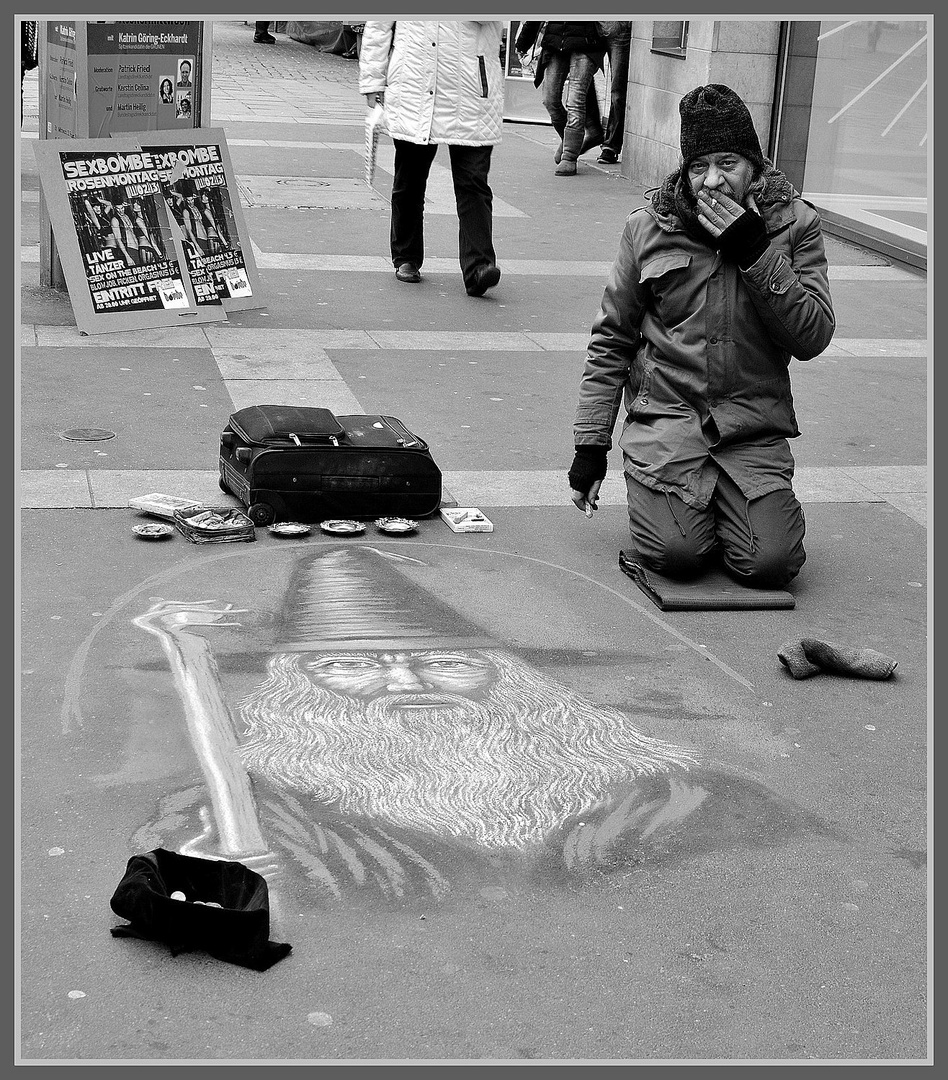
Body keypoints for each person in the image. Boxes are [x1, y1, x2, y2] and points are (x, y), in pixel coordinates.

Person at [129, 548, 834, 903]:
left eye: (445, 662)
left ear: (513, 677)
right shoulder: (257, 817)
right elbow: (169, 874)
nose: (406, 682)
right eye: (350, 667)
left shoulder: (687, 798)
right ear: (297, 694)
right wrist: (214, 869)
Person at [569, 84, 836, 589]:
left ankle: (732, 509)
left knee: (771, 566)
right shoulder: (650, 226)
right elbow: (611, 340)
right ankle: (675, 503)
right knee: (678, 556)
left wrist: (757, 254)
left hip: (751, 425)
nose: (712, 181)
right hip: (668, 418)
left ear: (754, 168)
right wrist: (590, 445)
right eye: (698, 168)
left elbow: (814, 336)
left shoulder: (795, 225)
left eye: (727, 163)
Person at [358, 21, 504, 296]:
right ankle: (406, 257)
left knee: (473, 182)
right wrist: (372, 80)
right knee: (409, 179)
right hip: (414, 85)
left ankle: (479, 268)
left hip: (470, 87)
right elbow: (378, 25)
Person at [514, 21, 607, 176]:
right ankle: (569, 141)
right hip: (555, 42)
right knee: (549, 100)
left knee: (575, 101)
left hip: (586, 43)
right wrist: (523, 42)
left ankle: (570, 156)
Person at [594, 21, 631, 165]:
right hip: (592, 28)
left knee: (617, 93)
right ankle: (590, 133)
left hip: (619, 31)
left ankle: (611, 146)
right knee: (581, 85)